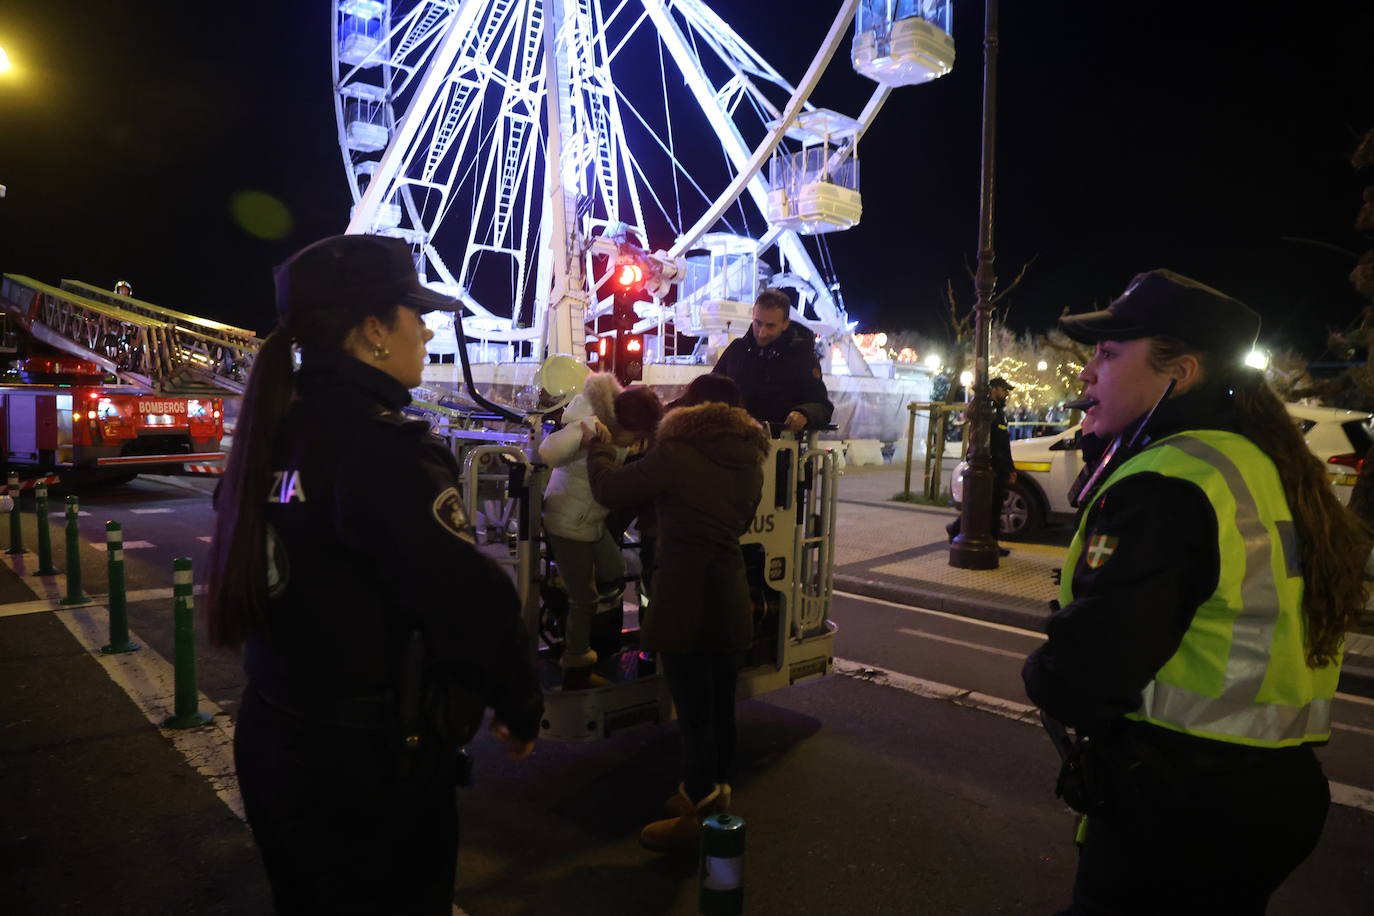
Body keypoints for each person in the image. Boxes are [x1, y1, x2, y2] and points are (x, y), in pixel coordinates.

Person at [205, 234, 543, 914]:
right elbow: (469, 599)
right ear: (372, 332)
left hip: (277, 736)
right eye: (412, 313)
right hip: (367, 768)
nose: (425, 329)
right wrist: (518, 703)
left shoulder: (273, 432)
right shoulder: (382, 449)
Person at [1021, 269, 1369, 915]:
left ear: (1178, 372)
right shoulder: (1262, 462)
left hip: (1179, 806)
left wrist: (1044, 667)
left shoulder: (1167, 482)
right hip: (1267, 795)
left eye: (1108, 354)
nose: (1087, 374)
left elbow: (1085, 676)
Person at [586, 373, 769, 851]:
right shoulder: (752, 458)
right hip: (729, 590)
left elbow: (610, 490)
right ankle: (712, 796)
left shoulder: (676, 453)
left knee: (694, 712)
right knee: (720, 703)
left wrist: (599, 449)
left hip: (685, 591)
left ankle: (697, 814)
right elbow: (741, 519)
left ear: (694, 411)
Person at [538, 374, 662, 689]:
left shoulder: (619, 435)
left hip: (591, 522)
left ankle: (562, 584)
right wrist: (582, 437)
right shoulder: (593, 427)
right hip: (567, 522)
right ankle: (575, 664)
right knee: (586, 598)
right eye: (635, 436)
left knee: (613, 569)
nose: (636, 443)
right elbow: (547, 452)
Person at [710, 288, 833, 433]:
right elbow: (708, 389)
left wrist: (804, 413)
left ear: (785, 324)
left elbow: (822, 406)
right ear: (753, 316)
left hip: (779, 449)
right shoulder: (737, 350)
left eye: (770, 326)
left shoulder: (802, 358)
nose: (762, 333)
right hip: (735, 443)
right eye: (758, 323)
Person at [945, 376, 1015, 555]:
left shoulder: (999, 412)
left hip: (997, 467)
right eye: (1003, 389)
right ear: (993, 389)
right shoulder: (987, 410)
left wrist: (1010, 468)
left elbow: (1004, 444)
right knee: (985, 505)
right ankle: (960, 529)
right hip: (989, 466)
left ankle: (985, 538)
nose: (1006, 393)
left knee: (992, 506)